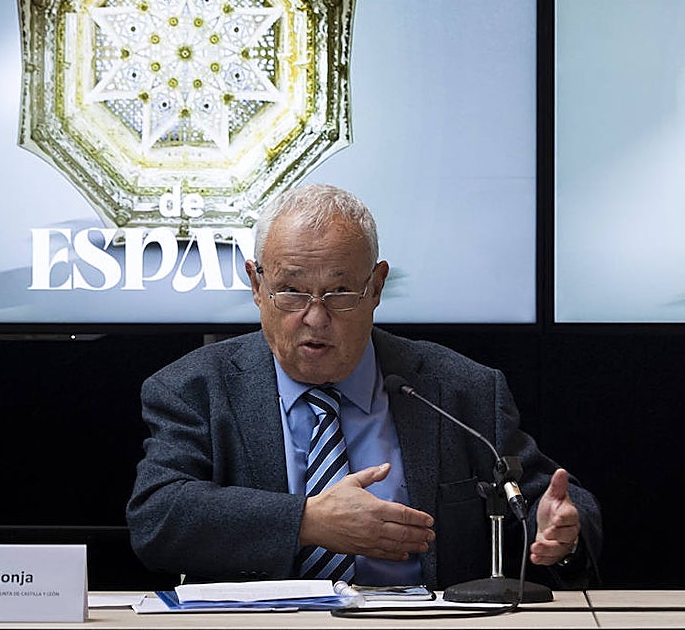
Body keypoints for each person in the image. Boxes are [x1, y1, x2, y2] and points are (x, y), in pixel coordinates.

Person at [127, 184, 601, 589]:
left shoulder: (459, 389)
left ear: (376, 287)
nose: (314, 317)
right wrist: (308, 522)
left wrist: (561, 529)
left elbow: (549, 498)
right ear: (256, 284)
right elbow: (159, 516)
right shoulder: (194, 388)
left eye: (340, 293)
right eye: (290, 291)